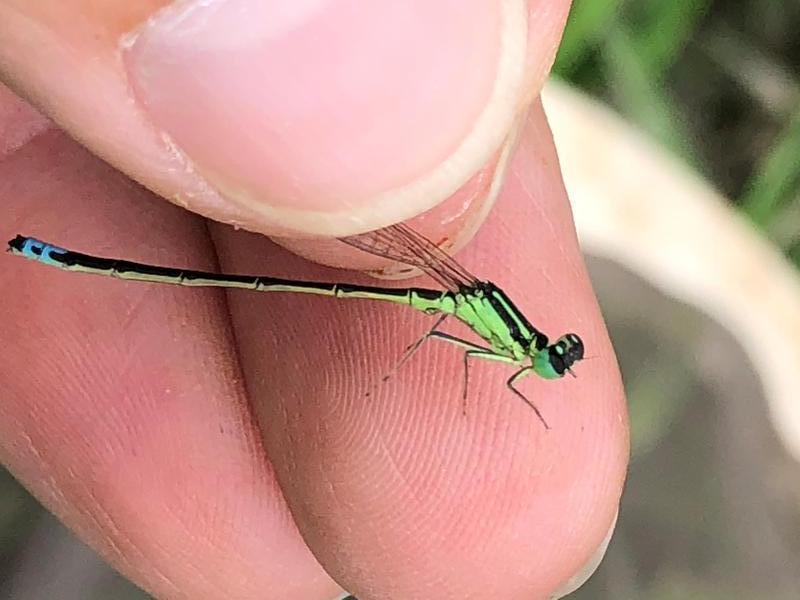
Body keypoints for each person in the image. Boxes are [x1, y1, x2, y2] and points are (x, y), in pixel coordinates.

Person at [0, 2, 628, 598]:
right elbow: (459, 354)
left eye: (552, 359)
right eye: (550, 357)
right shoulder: (512, 349)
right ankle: (59, 250)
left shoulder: (515, 345)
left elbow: (464, 349)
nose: (546, 363)